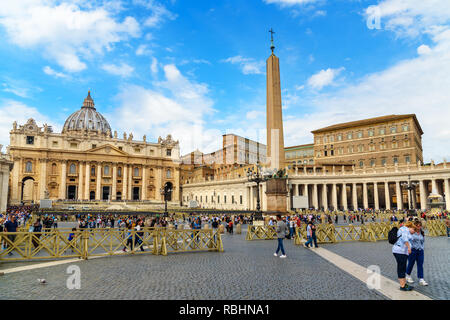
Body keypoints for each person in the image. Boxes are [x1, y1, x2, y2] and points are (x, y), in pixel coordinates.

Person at [392, 221, 416, 291]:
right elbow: (405, 239)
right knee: (401, 267)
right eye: (414, 229)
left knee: (403, 267)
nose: (414, 231)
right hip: (400, 251)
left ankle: (404, 284)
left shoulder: (405, 230)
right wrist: (409, 247)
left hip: (401, 251)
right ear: (410, 227)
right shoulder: (405, 229)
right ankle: (402, 286)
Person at [406, 221, 428, 286]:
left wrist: (422, 248)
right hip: (413, 250)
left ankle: (421, 279)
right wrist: (410, 247)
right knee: (411, 263)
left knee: (420, 264)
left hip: (420, 251)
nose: (418, 227)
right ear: (414, 226)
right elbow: (408, 240)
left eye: (419, 225)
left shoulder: (422, 233)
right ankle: (408, 275)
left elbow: (423, 241)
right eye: (417, 225)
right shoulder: (412, 232)